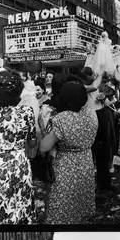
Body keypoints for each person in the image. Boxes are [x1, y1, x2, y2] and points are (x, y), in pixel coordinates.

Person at [38, 81, 98, 225]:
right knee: (81, 201)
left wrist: (43, 129)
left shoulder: (61, 119)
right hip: (86, 161)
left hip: (66, 165)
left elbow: (44, 147)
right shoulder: (91, 112)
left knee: (62, 203)